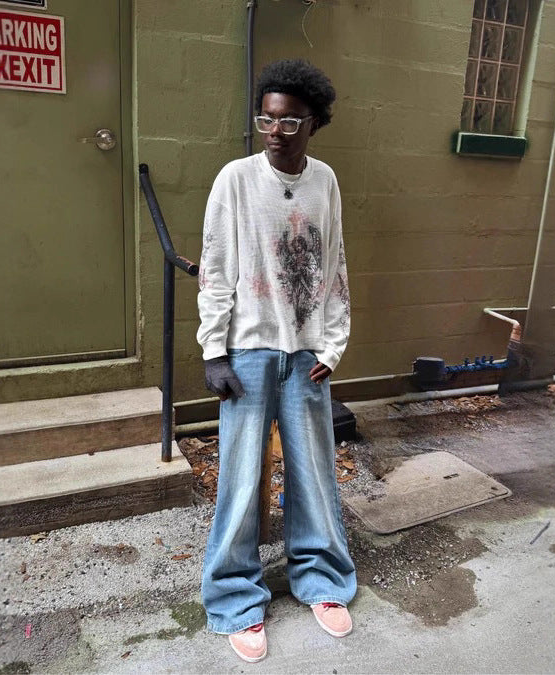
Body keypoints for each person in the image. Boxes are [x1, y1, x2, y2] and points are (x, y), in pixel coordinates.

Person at [197, 58, 356, 664]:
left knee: (314, 473)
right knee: (239, 480)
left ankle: (321, 579)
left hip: (308, 352)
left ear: (313, 121)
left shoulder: (326, 181)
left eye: (289, 121)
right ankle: (236, 599)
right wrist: (214, 350)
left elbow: (334, 264)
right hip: (248, 350)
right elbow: (215, 268)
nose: (275, 131)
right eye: (266, 119)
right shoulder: (235, 180)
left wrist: (333, 344)